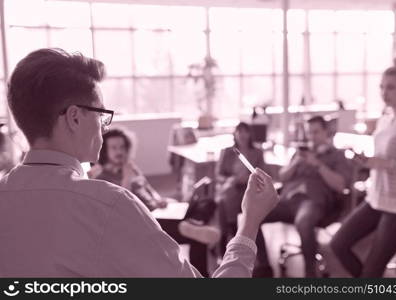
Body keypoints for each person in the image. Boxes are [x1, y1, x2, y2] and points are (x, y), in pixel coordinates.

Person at [0, 48, 279, 277]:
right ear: (74, 118)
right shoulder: (107, 205)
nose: (104, 127)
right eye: (101, 114)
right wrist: (250, 221)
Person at [90, 128, 219, 276]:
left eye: (122, 147)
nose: (119, 151)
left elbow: (149, 189)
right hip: (142, 219)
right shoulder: (102, 178)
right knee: (196, 234)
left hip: (159, 211)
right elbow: (121, 207)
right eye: (114, 148)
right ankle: (192, 225)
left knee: (207, 203)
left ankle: (192, 227)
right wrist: (126, 179)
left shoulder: (131, 167)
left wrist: (160, 200)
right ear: (105, 151)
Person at [330, 56, 396, 278]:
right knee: (338, 244)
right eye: (381, 87)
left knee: (371, 272)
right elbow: (380, 158)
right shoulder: (384, 121)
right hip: (376, 199)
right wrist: (367, 161)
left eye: (391, 87)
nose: (384, 93)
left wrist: (385, 164)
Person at [258, 115, 353, 277]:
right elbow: (282, 176)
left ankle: (311, 275)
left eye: (316, 132)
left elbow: (340, 184)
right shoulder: (300, 153)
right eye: (309, 133)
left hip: (313, 202)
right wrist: (295, 163)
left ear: (326, 132)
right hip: (288, 200)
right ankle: (264, 267)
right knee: (254, 213)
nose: (311, 137)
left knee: (304, 221)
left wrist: (318, 165)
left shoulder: (336, 155)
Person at [216, 122, 268, 275]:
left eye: (245, 131)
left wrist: (248, 179)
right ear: (235, 134)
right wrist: (230, 180)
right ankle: (229, 246)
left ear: (250, 134)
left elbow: (263, 175)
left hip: (249, 189)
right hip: (230, 188)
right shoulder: (227, 152)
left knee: (236, 209)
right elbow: (218, 175)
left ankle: (237, 250)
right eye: (239, 131)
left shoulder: (257, 152)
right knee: (224, 203)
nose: (242, 135)